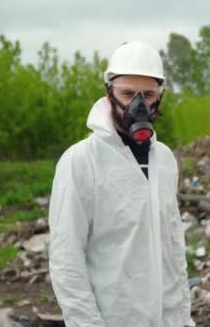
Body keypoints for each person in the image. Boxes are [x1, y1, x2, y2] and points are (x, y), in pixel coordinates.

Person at [48, 41, 194, 326]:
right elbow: (66, 260)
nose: (138, 105)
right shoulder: (81, 160)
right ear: (109, 94)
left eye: (148, 95)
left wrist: (182, 318)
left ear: (159, 97)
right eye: (127, 94)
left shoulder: (163, 159)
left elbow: (173, 249)